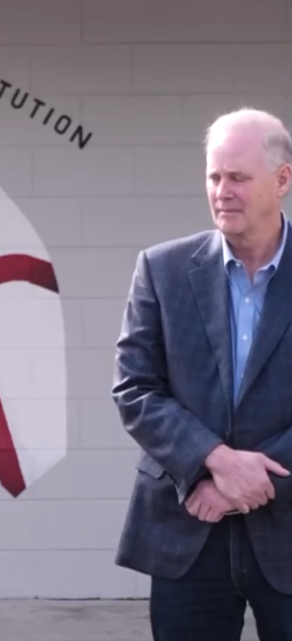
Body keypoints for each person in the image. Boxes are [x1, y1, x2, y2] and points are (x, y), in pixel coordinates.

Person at [112, 107, 292, 640]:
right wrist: (213, 461)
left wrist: (245, 481)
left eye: (238, 177)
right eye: (214, 176)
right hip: (187, 528)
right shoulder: (162, 269)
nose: (222, 190)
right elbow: (134, 388)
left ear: (282, 180)